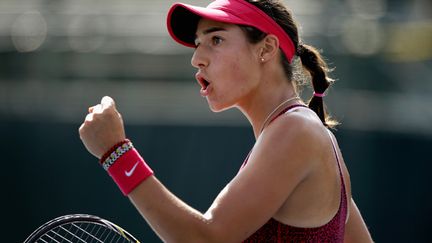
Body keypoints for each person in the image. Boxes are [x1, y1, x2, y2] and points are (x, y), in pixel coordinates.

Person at [79, 0, 373, 242]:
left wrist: (116, 152)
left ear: (266, 49)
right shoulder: (306, 133)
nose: (197, 59)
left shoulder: (296, 130)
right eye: (197, 44)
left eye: (216, 39)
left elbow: (208, 239)